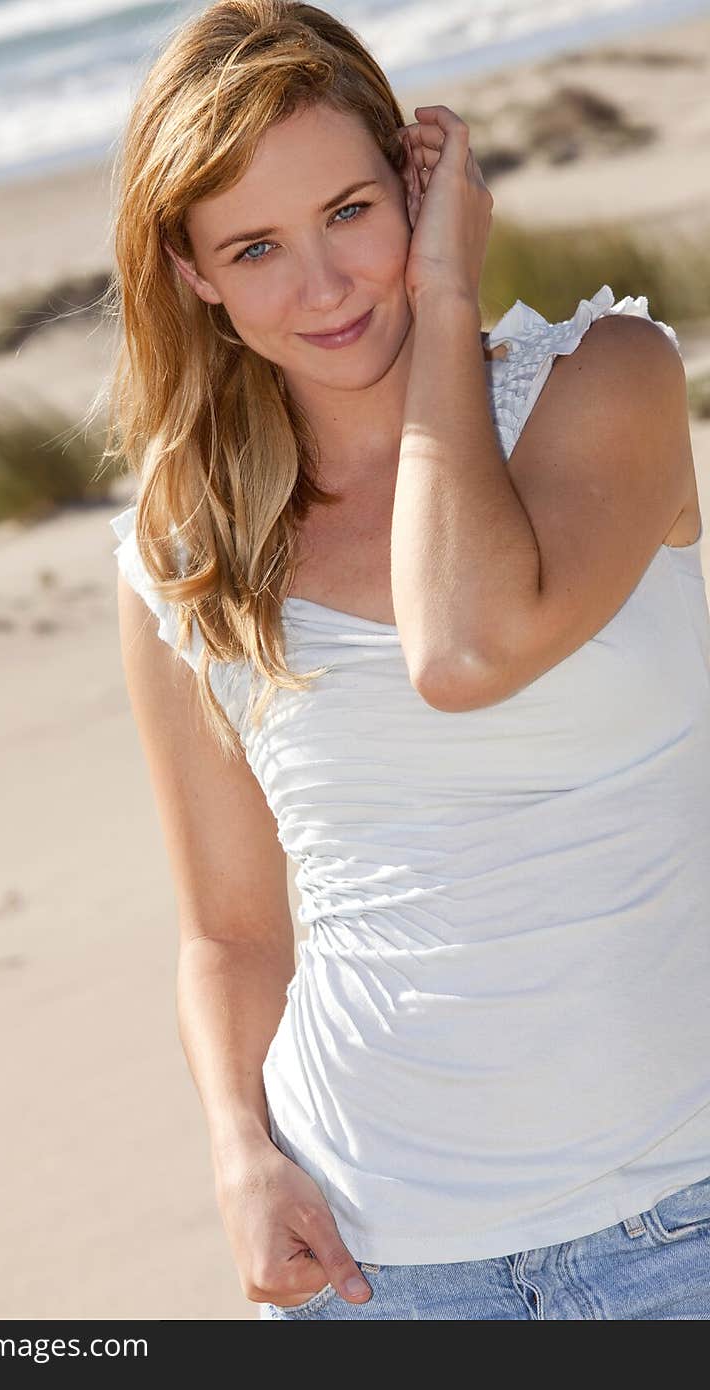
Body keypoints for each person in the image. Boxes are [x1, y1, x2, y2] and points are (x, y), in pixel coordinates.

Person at [104, 0, 710, 1318]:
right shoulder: (187, 546)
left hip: (685, 1220)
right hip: (383, 1258)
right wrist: (239, 1149)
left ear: (418, 187)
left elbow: (467, 641)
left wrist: (446, 307)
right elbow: (229, 925)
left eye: (350, 214)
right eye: (254, 247)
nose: (321, 286)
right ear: (195, 275)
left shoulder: (606, 385)